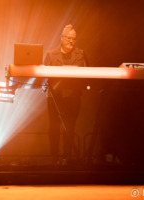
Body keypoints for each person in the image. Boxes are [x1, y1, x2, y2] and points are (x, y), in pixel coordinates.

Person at [44, 24, 88, 165]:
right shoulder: (51, 54)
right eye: (68, 38)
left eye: (74, 39)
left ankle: (68, 156)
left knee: (70, 127)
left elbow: (88, 74)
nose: (71, 41)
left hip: (73, 96)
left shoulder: (81, 54)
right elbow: (44, 76)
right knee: (54, 126)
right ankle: (54, 156)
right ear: (62, 38)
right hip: (55, 96)